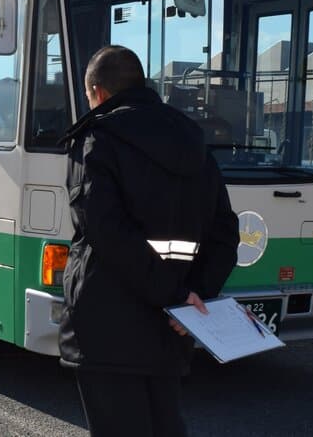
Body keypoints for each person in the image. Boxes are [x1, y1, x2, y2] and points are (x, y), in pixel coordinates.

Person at [59, 45, 239, 436]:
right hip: (171, 331)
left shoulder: (98, 139)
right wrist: (194, 295)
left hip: (107, 327)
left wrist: (174, 295)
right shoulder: (194, 143)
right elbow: (225, 232)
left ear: (98, 93)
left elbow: (106, 233)